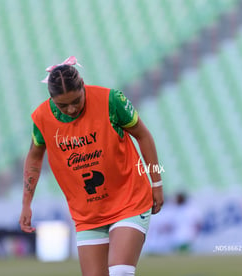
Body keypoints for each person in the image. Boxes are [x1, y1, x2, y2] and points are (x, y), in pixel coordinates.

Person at [19, 56, 164, 276]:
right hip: (87, 214)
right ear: (51, 99)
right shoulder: (42, 117)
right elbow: (34, 157)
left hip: (129, 200)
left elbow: (143, 136)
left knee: (120, 272)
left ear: (83, 85)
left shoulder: (110, 100)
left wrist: (157, 182)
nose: (71, 109)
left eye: (76, 100)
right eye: (62, 105)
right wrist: (27, 203)